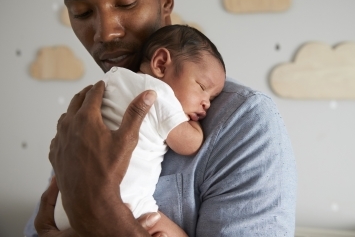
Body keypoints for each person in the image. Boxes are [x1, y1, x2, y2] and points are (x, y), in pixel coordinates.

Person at [25, 0, 297, 236]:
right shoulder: (87, 114)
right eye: (81, 12)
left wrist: (104, 213)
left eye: (127, 2)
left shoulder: (243, 122)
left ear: (164, 0)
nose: (105, 33)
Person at [53, 24, 226, 235]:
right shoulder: (159, 93)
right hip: (127, 205)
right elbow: (189, 144)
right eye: (202, 87)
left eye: (212, 98)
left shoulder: (112, 80)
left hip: (65, 209)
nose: (206, 103)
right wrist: (192, 122)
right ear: (161, 64)